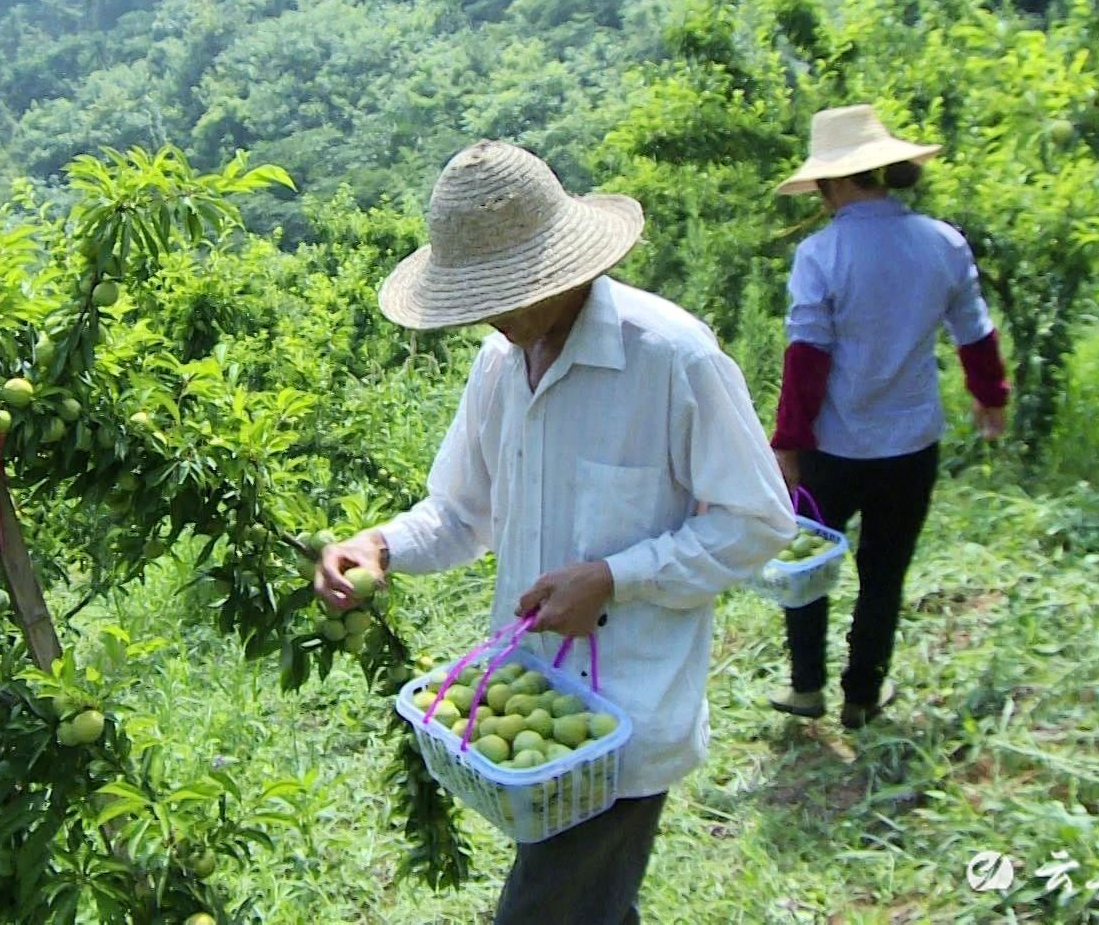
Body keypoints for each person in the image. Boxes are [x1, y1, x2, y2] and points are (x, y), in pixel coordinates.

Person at [315, 140, 796, 925]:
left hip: (627, 722)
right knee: (593, 908)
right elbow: (462, 513)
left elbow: (758, 521)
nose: (492, 314)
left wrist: (613, 577)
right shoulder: (500, 363)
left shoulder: (671, 359)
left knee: (542, 914)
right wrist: (379, 545)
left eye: (504, 292)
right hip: (536, 704)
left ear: (561, 267)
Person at [765, 105, 1010, 729]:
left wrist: (788, 442)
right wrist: (990, 397)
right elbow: (974, 332)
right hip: (910, 445)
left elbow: (807, 356)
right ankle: (863, 695)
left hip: (831, 448)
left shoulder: (821, 254)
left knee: (808, 565)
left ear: (835, 182)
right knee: (884, 571)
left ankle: (806, 687)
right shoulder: (942, 243)